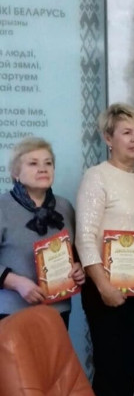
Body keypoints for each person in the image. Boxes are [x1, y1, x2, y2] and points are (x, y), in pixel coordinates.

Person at [75, 103, 134, 396]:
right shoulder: (96, 176)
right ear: (109, 138)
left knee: (128, 370)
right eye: (126, 132)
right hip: (103, 289)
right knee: (109, 372)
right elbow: (85, 238)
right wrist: (103, 286)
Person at [0, 137, 84, 325]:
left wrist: (79, 269)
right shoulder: (2, 207)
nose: (43, 169)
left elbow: (76, 253)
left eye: (48, 163)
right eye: (33, 163)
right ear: (15, 173)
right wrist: (16, 283)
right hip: (11, 315)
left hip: (58, 313)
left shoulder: (65, 207)